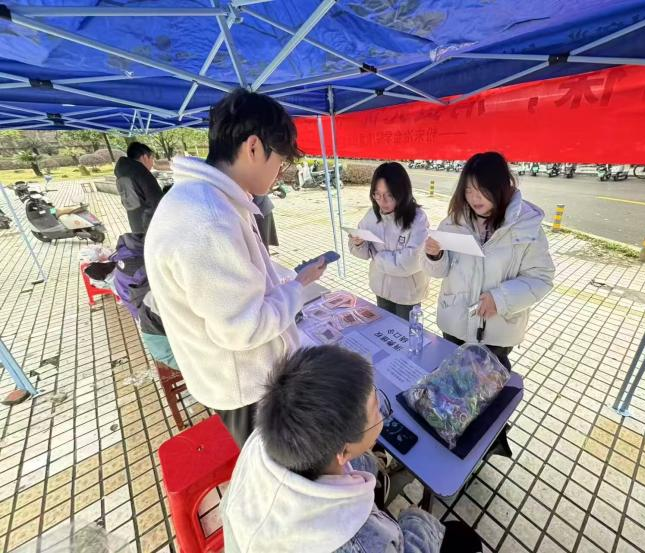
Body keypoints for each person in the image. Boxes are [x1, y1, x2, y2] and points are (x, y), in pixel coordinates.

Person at [144, 89, 326, 447]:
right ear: (254, 147)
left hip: (240, 378)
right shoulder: (209, 219)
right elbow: (245, 327)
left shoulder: (205, 199)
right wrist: (296, 289)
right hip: (248, 389)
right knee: (279, 467)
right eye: (281, 161)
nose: (280, 173)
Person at [221, 345, 450, 553]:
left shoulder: (262, 441)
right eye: (376, 410)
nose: (381, 411)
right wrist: (417, 519)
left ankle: (380, 469)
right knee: (458, 534)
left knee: (368, 464)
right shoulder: (361, 543)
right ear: (343, 452)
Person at [424, 152, 555, 369]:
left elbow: (541, 278)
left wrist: (501, 299)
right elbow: (439, 272)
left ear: (500, 187)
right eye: (468, 190)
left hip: (497, 333)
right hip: (454, 324)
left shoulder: (526, 226)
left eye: (482, 191)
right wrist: (434, 255)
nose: (474, 199)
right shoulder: (453, 222)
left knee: (490, 385)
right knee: (449, 383)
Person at [349, 162, 429, 320]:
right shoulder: (371, 215)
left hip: (408, 293)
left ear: (402, 192)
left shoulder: (418, 218)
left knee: (405, 332)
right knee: (385, 328)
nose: (382, 201)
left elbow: (411, 261)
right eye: (377, 194)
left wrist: (377, 257)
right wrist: (358, 244)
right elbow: (363, 253)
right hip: (381, 288)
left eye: (389, 195)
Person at [114, 142, 163, 234]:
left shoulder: (123, 173)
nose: (152, 163)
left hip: (135, 223)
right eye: (152, 158)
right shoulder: (141, 172)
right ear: (145, 157)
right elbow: (158, 202)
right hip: (151, 226)